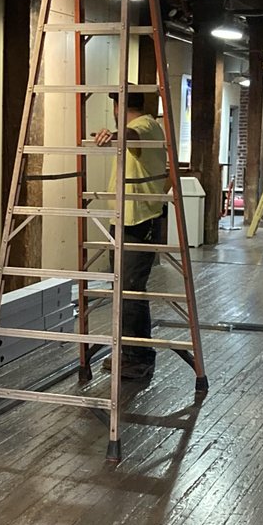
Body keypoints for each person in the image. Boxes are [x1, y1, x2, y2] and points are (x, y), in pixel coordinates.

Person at [94, 90, 168, 383]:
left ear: (117, 106)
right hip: (128, 220)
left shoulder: (145, 126)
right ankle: (130, 352)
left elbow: (131, 135)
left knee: (131, 290)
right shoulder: (147, 126)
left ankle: (138, 357)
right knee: (126, 289)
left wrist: (114, 134)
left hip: (138, 223)